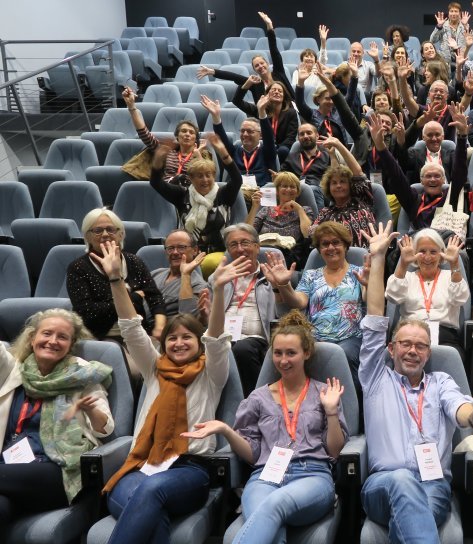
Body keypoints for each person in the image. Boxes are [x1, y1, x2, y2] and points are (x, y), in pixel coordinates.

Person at [358, 221, 473, 543]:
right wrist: (378, 257)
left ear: (429, 353)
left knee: (417, 512)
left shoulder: (441, 381)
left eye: (420, 346)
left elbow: (459, 408)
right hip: (383, 483)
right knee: (401, 480)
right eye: (405, 344)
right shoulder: (375, 377)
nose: (412, 351)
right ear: (390, 348)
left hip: (433, 484)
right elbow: (375, 313)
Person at [98, 239, 242, 544]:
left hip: (189, 469)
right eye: (172, 338)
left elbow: (216, 340)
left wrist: (217, 294)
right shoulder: (154, 369)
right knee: (150, 510)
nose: (178, 343)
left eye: (187, 337)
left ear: (197, 341)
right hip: (141, 464)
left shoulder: (209, 374)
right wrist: (114, 279)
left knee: (151, 493)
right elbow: (131, 328)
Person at [182, 311, 349, 544]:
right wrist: (226, 430)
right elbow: (253, 454)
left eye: (291, 353)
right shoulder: (258, 398)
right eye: (278, 353)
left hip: (312, 475)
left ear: (306, 353)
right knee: (273, 530)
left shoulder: (324, 393)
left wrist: (331, 411)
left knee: (274, 503)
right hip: (265, 476)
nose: (283, 360)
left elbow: (334, 451)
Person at [0, 309, 113, 529]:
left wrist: (90, 409)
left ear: (70, 345)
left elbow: (105, 428)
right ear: (32, 339)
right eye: (47, 333)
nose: (53, 341)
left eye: (62, 337)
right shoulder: (13, 371)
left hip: (59, 470)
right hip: (9, 469)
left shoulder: (82, 376)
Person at [266, 222, 366, 391]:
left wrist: (372, 282)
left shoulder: (360, 272)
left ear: (346, 246)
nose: (331, 247)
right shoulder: (312, 275)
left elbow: (368, 298)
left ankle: (351, 407)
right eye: (325, 244)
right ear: (319, 249)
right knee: (294, 353)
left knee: (345, 355)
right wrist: (284, 285)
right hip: (316, 337)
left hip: (350, 337)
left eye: (336, 242)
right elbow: (299, 301)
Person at [67, 209, 166, 345]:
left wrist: (160, 327)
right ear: (87, 237)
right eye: (98, 230)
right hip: (99, 338)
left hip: (139, 332)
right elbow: (87, 312)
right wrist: (133, 298)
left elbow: (154, 297)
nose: (105, 234)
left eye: (110, 229)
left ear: (120, 234)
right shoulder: (78, 268)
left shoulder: (134, 261)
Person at [149, 133, 242, 277]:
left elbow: (237, 179)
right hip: (186, 253)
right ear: (191, 179)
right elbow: (156, 183)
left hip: (219, 254)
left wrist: (222, 151)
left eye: (208, 175)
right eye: (199, 176)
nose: (205, 180)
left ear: (213, 176)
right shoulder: (182, 195)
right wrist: (158, 159)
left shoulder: (223, 195)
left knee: (208, 264)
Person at [370, 106, 468, 234]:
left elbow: (460, 170)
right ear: (421, 180)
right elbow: (396, 174)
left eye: (437, 176)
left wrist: (462, 136)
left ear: (444, 180)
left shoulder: (451, 197)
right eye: (428, 176)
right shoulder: (413, 200)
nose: (432, 179)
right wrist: (381, 147)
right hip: (417, 248)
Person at [214, 224, 287, 396]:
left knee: (241, 349)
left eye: (245, 243)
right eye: (233, 245)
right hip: (223, 338)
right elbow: (207, 319)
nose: (240, 249)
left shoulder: (271, 275)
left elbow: (284, 315)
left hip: (257, 341)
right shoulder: (219, 277)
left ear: (257, 246)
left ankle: (255, 400)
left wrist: (279, 287)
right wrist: (205, 313)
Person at [386, 230, 469, 357]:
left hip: (444, 335)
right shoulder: (406, 276)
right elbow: (393, 297)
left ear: (442, 254)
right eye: (422, 251)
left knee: (453, 355)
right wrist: (403, 264)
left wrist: (454, 264)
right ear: (414, 253)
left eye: (433, 252)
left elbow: (460, 299)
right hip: (410, 333)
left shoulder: (451, 276)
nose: (427, 257)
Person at [198, 11, 295, 104]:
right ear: (254, 70)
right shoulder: (255, 84)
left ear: (268, 63)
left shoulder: (279, 73)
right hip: (266, 118)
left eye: (262, 63)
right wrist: (213, 72)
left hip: (290, 113)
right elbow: (234, 77)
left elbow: (274, 50)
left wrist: (269, 26)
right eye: (257, 66)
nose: (260, 66)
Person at [122, 87, 211, 184]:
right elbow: (144, 134)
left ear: (195, 139)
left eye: (191, 132)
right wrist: (131, 107)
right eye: (184, 131)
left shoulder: (203, 154)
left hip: (190, 192)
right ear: (177, 137)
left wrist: (197, 154)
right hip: (166, 190)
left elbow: (206, 177)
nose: (187, 134)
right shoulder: (167, 151)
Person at [310, 137, 377, 248]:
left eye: (343, 182)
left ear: (351, 185)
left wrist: (338, 145)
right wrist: (332, 155)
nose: (338, 186)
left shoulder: (361, 202)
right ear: (329, 188)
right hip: (335, 258)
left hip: (364, 258)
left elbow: (358, 172)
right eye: (334, 183)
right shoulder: (326, 212)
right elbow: (312, 235)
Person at [202, 94, 278, 188]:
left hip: (260, 193)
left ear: (260, 135)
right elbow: (223, 139)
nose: (245, 134)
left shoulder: (267, 152)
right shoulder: (235, 151)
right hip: (237, 194)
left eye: (250, 131)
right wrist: (216, 117)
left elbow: (269, 137)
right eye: (242, 131)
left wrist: (262, 112)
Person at [246, 171, 313, 268]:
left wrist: (299, 209)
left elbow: (308, 234)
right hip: (262, 252)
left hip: (289, 257)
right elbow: (248, 233)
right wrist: (254, 207)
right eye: (284, 186)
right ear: (277, 191)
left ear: (297, 191)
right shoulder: (266, 210)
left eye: (292, 187)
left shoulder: (305, 210)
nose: (288, 189)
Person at [296, 62, 363, 147]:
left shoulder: (339, 113)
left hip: (340, 153)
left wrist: (354, 75)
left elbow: (350, 96)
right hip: (320, 154)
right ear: (318, 99)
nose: (331, 102)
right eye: (327, 99)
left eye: (332, 99)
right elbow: (300, 103)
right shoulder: (311, 115)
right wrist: (300, 82)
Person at [231, 80, 298, 163]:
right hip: (262, 145)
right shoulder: (260, 109)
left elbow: (290, 138)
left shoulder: (291, 113)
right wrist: (247, 84)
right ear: (267, 94)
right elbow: (237, 101)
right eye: (273, 90)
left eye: (280, 91)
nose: (277, 92)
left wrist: (275, 149)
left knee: (283, 150)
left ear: (284, 96)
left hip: (281, 148)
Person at [151, 229, 207, 318]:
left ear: (195, 250)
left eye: (181, 247)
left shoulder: (198, 285)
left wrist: (185, 275)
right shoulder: (155, 274)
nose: (175, 252)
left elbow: (188, 319)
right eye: (170, 248)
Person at [282, 123, 332, 210]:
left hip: (321, 191)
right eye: (302, 134)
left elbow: (334, 174)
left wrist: (334, 155)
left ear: (317, 136)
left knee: (312, 189)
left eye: (309, 133)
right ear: (298, 138)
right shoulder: (292, 156)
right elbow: (283, 174)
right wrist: (278, 176)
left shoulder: (327, 154)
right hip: (296, 190)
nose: (305, 136)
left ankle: (318, 221)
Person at [431, 3, 472, 69]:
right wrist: (439, 26)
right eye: (451, 11)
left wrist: (465, 26)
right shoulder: (443, 25)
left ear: (459, 13)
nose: (453, 13)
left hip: (462, 59)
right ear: (449, 13)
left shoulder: (464, 25)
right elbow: (432, 40)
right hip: (446, 61)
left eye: (456, 11)